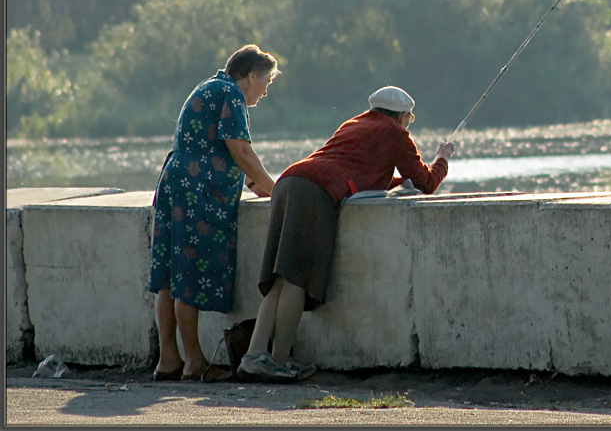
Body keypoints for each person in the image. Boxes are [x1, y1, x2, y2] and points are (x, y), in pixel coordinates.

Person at [237, 85, 455, 382]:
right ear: (402, 116)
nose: (407, 124)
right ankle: (278, 361)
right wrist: (442, 158)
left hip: (289, 181)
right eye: (408, 119)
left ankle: (254, 355)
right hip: (315, 193)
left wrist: (397, 179)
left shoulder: (353, 123)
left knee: (280, 278)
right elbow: (427, 183)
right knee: (297, 279)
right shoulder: (395, 133)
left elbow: (358, 171)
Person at [148, 44, 280, 383]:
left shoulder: (209, 87)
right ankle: (193, 362)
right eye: (266, 82)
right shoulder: (231, 94)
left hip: (174, 182)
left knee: (168, 277)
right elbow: (241, 151)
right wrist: (279, 192)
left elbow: (236, 161)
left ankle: (168, 359)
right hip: (197, 190)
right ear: (251, 75)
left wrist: (260, 184)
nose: (265, 91)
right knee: (189, 275)